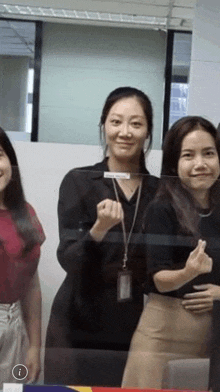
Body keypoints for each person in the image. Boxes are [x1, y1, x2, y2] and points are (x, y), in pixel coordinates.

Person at [44, 86, 158, 386]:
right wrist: (98, 229)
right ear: (103, 125)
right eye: (116, 121)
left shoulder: (159, 191)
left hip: (132, 319)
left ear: (148, 132)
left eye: (136, 123)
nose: (125, 132)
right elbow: (68, 258)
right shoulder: (79, 181)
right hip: (77, 318)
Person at [122, 116, 220, 389]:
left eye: (209, 153)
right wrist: (189, 272)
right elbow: (158, 279)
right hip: (163, 336)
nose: (200, 164)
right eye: (188, 155)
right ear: (174, 164)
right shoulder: (162, 208)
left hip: (212, 338)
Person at [0, 127, 45, 388]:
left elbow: (31, 284)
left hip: (16, 329)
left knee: (14, 388)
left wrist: (34, 346)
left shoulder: (25, 213)